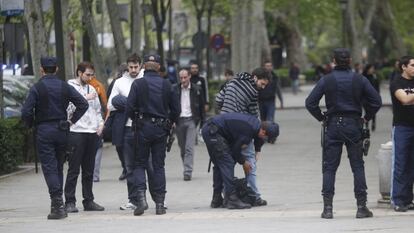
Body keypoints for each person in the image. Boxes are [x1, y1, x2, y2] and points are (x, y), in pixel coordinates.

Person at [305, 48, 382, 219]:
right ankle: (361, 207)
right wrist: (366, 117)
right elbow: (376, 101)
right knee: (357, 166)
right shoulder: (359, 79)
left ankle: (328, 208)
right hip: (354, 124)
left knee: (329, 167)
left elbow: (310, 102)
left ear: (333, 60)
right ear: (349, 60)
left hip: (333, 125)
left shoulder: (327, 80)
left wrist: (321, 117)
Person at [21, 57, 88, 220]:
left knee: (49, 168)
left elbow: (26, 112)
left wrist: (30, 125)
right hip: (62, 129)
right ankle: (59, 203)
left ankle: (57, 204)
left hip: (44, 129)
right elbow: (83, 104)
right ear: (57, 69)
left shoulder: (37, 88)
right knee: (58, 167)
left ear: (41, 70)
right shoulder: (65, 87)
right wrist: (71, 121)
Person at [126, 54, 180, 216]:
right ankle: (160, 203)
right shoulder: (167, 85)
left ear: (143, 67)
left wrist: (136, 117)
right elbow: (176, 110)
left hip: (142, 128)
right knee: (158, 166)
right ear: (158, 68)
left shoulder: (138, 84)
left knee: (139, 164)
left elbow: (129, 108)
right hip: (160, 129)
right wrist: (168, 122)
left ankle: (141, 199)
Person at [215, 68, 270, 207]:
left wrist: (227, 111)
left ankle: (224, 196)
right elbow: (254, 116)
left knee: (227, 164)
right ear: (255, 77)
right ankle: (254, 196)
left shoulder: (231, 82)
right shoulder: (252, 92)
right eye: (262, 83)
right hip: (241, 129)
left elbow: (218, 99)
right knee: (250, 161)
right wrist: (257, 143)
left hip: (224, 128)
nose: (262, 87)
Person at [201, 113, 279, 209]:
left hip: (211, 129)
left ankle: (216, 199)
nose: (265, 140)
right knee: (227, 162)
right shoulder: (248, 130)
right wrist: (244, 162)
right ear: (263, 131)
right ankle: (232, 199)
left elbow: (257, 138)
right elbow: (235, 150)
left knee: (219, 165)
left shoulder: (256, 125)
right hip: (213, 132)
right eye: (266, 138)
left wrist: (257, 150)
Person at [64, 62, 105, 213]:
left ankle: (88, 200)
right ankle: (69, 201)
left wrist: (100, 124)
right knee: (74, 169)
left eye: (92, 75)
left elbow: (97, 110)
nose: (90, 78)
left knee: (89, 170)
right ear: (79, 73)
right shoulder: (70, 87)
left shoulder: (93, 88)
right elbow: (68, 110)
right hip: (76, 131)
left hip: (92, 133)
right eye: (87, 74)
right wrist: (85, 98)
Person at [107, 53, 144, 210]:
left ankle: (156, 199)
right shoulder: (119, 82)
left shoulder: (145, 80)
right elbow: (111, 105)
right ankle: (133, 199)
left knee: (147, 165)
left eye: (136, 67)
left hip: (144, 128)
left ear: (140, 65)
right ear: (127, 67)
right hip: (126, 129)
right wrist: (133, 104)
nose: (133, 70)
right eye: (131, 67)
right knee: (129, 167)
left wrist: (126, 102)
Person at [390, 55, 414, 212]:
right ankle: (398, 200)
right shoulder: (397, 82)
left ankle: (408, 199)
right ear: (404, 67)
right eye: (412, 65)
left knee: (412, 165)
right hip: (402, 128)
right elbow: (404, 99)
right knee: (401, 164)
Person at [176, 68, 206, 181]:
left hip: (191, 121)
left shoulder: (197, 89)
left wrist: (202, 122)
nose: (183, 80)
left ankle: (187, 171)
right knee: (182, 148)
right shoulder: (174, 89)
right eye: (181, 78)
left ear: (189, 77)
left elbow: (202, 107)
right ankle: (186, 166)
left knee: (189, 147)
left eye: (185, 77)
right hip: (179, 121)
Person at [105, 63, 128, 180]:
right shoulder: (115, 83)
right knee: (119, 144)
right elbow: (110, 101)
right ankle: (125, 166)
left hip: (127, 116)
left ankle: (128, 167)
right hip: (118, 116)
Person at [88, 74, 108, 182]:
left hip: (86, 122)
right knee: (98, 146)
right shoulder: (99, 86)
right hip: (97, 119)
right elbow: (104, 103)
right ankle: (94, 175)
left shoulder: (77, 86)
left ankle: (90, 174)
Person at [362, 64, 380, 131]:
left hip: (373, 97)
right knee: (367, 111)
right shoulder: (363, 77)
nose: (372, 70)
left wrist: (378, 94)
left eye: (373, 68)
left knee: (373, 110)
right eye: (371, 68)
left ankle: (373, 123)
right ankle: (366, 124)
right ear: (368, 69)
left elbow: (377, 86)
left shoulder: (374, 76)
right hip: (365, 97)